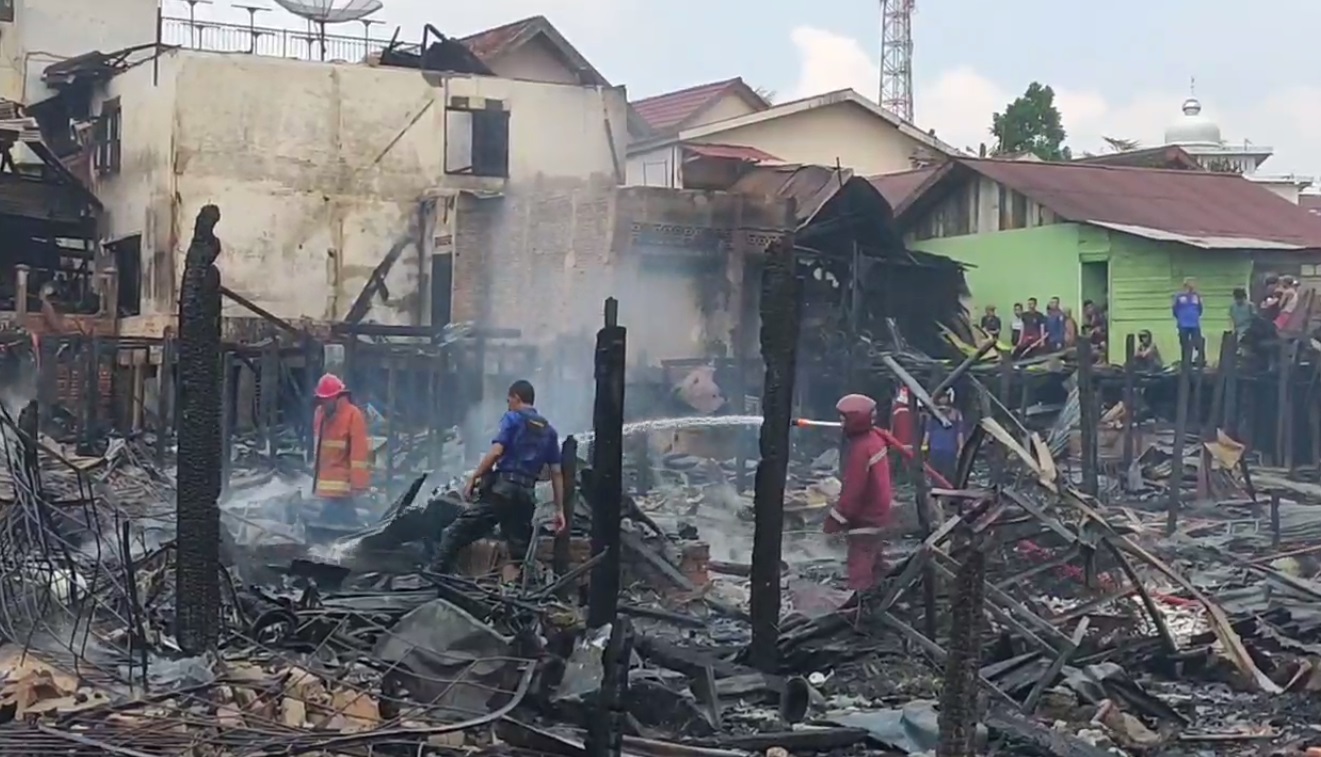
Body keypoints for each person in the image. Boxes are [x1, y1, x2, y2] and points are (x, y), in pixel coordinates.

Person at [432, 380, 566, 572]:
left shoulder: (513, 419)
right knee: (520, 552)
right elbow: (557, 472)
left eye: (509, 400)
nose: (508, 405)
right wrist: (559, 509)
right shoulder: (549, 432)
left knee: (455, 533)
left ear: (516, 398)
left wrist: (474, 477)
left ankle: (433, 579)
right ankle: (521, 591)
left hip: (503, 491)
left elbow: (496, 452)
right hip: (526, 496)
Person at [823, 394, 893, 591]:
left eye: (843, 418)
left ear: (855, 420)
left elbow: (853, 492)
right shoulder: (874, 440)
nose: (840, 422)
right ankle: (888, 599)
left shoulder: (861, 450)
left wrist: (834, 520)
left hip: (866, 520)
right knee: (877, 564)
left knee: (859, 568)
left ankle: (860, 611)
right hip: (879, 515)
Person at [311, 373, 371, 525]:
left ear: (337, 397)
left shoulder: (353, 415)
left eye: (326, 399)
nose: (323, 403)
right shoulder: (320, 414)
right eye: (321, 399)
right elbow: (319, 450)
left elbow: (359, 455)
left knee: (342, 523)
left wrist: (358, 485)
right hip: (325, 489)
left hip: (343, 489)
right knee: (330, 523)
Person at [924, 391, 963, 484]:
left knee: (950, 474)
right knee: (935, 474)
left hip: (950, 448)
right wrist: (924, 446)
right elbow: (928, 431)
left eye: (945, 397)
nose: (943, 399)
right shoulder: (933, 414)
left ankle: (950, 493)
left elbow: (959, 432)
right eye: (941, 397)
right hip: (935, 448)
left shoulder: (956, 414)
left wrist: (961, 447)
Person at [1172, 278, 1203, 362]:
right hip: (1183, 324)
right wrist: (1180, 318)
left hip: (1194, 324)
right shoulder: (1179, 296)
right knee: (1185, 345)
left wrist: (1195, 316)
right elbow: (1174, 309)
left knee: (1198, 344)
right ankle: (1185, 362)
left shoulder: (1196, 296)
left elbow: (1200, 309)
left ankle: (1198, 361)